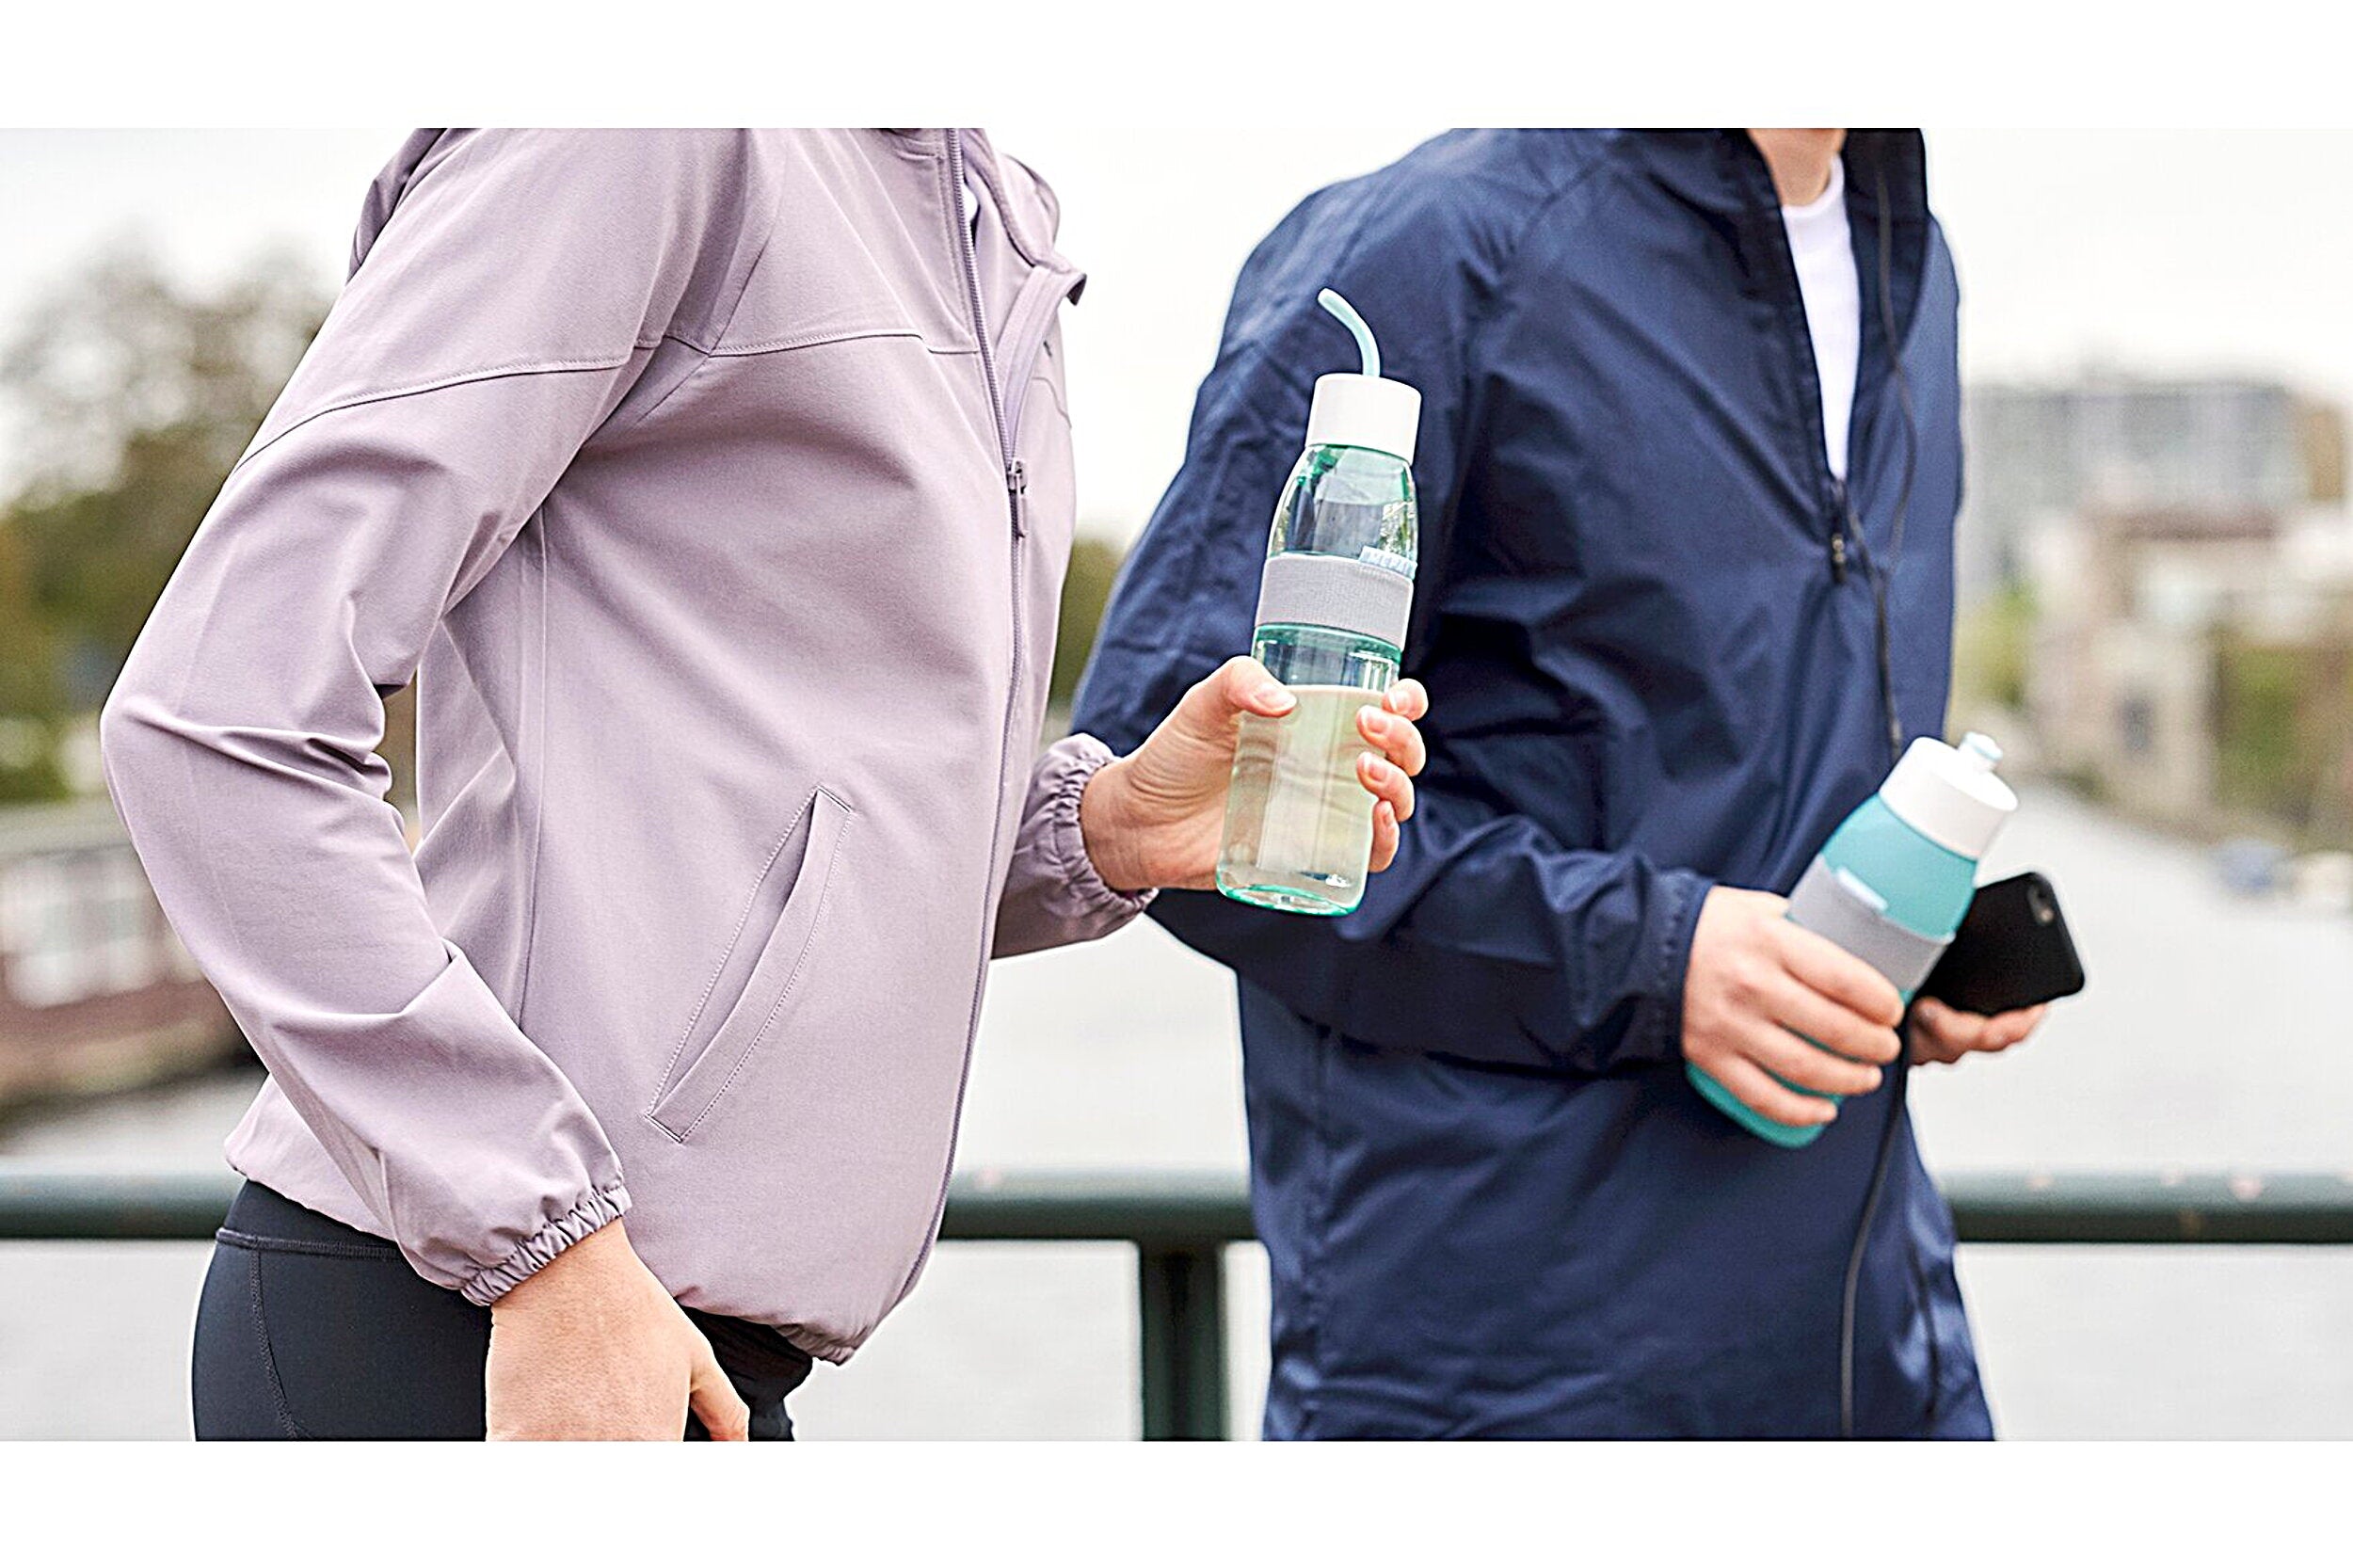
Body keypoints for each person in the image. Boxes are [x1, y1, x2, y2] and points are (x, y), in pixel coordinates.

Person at [100, 128, 1429, 1440]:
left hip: (656, 1341)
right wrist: (539, 1240)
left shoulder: (974, 215)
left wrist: (1102, 828)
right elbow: (217, 711)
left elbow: (786, 837)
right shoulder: (643, 134)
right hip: (482, 1326)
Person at [1074, 128, 2050, 1438]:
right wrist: (1657, 959)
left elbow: (1739, 773)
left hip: (1872, 1355)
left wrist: (1881, 961)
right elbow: (1172, 795)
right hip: (1502, 1379)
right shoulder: (1434, 250)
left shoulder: (1909, 262)